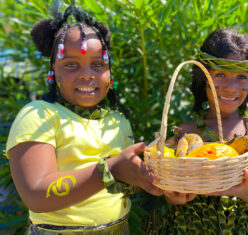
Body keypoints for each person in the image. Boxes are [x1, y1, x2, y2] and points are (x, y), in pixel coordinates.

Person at [6, 3, 162, 234]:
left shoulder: (117, 120)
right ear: (53, 70)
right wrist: (111, 169)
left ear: (110, 72)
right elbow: (36, 194)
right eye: (71, 64)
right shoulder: (39, 115)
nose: (87, 74)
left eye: (98, 64)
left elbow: (122, 182)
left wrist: (150, 176)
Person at [142, 29, 248, 234]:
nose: (231, 87)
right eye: (221, 75)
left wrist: (244, 191)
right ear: (203, 79)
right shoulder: (185, 134)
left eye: (241, 77)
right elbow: (167, 185)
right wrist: (173, 196)